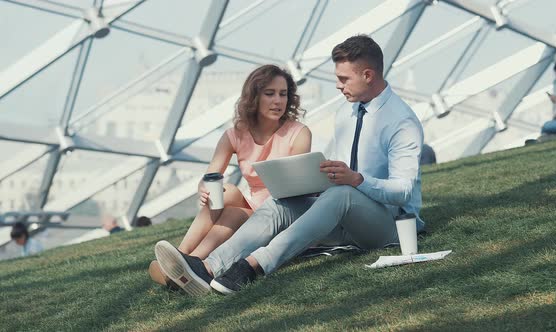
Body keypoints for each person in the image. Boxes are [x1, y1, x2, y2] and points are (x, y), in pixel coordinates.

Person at [154, 35, 424, 296]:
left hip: (388, 225)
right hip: (339, 219)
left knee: (343, 194)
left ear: (367, 75)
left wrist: (356, 179)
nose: (338, 86)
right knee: (278, 204)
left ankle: (252, 265)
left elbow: (403, 191)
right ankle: (207, 267)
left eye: (344, 79)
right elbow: (336, 172)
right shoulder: (346, 111)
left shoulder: (401, 122)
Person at [149, 64, 312, 289]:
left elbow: (297, 186)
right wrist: (204, 188)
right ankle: (183, 256)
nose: (278, 101)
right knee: (225, 192)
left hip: (279, 212)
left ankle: (190, 263)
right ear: (254, 97)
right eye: (270, 93)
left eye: (283, 94)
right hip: (252, 205)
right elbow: (210, 175)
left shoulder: (298, 133)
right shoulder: (236, 134)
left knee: (234, 213)